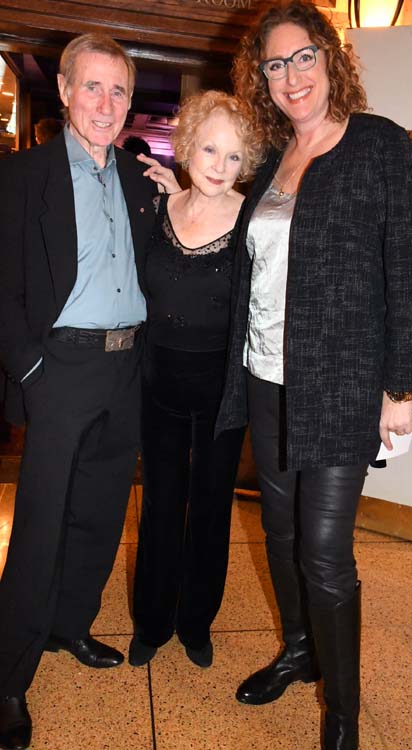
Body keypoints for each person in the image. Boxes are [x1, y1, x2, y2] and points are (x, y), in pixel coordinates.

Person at [215, 1, 412, 748]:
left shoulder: (379, 145)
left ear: (330, 58)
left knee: (324, 552)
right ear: (263, 80)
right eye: (274, 65)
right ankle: (302, 652)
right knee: (278, 533)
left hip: (343, 384)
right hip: (267, 377)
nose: (290, 76)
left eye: (302, 56)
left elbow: (409, 275)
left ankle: (343, 712)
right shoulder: (277, 156)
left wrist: (401, 387)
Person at [0, 33, 157, 750]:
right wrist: (29, 369)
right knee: (38, 527)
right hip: (58, 370)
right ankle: (7, 678)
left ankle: (70, 627)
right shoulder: (21, 175)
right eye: (91, 87)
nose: (105, 103)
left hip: (125, 371)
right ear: (63, 91)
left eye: (118, 90)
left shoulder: (137, 177)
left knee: (98, 515)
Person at [128, 90, 263, 670]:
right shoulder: (158, 207)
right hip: (157, 385)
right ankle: (152, 620)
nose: (219, 165)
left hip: (221, 396)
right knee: (159, 504)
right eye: (210, 148)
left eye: (234, 157)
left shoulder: (256, 222)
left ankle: (196, 621)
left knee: (209, 510)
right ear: (187, 147)